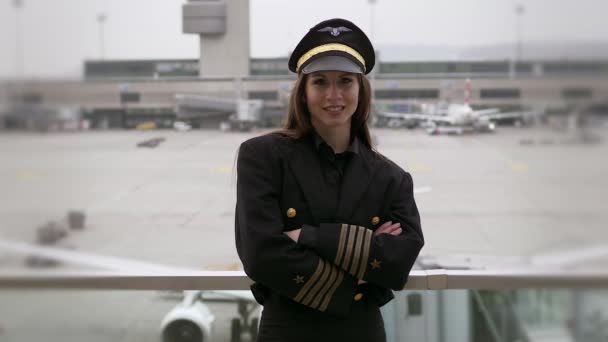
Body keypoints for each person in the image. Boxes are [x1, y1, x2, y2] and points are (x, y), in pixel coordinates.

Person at [235, 18, 424, 342]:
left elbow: (399, 259)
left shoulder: (391, 177)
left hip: (361, 332)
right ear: (303, 91)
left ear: (360, 90)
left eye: (345, 81)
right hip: (287, 330)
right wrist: (359, 269)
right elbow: (259, 254)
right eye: (320, 81)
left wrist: (306, 236)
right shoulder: (262, 157)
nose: (333, 94)